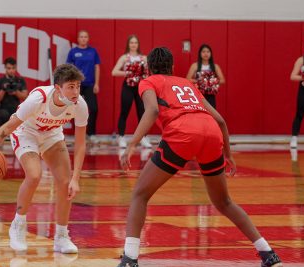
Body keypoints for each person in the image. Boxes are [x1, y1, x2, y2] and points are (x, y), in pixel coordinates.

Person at [117, 47, 282, 267]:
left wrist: (132, 145)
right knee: (224, 201)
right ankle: (268, 253)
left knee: (140, 195)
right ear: (173, 67)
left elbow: (152, 111)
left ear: (149, 67)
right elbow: (221, 120)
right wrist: (228, 155)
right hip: (211, 132)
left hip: (182, 133)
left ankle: (130, 258)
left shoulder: (148, 82)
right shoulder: (187, 83)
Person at [0, 64, 88, 253]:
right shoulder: (38, 98)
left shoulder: (80, 105)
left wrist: (75, 179)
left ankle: (61, 236)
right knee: (34, 175)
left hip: (52, 135)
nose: (75, 91)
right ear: (58, 88)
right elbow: (9, 126)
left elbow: (80, 144)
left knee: (65, 182)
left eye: (77, 86)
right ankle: (18, 225)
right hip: (25, 132)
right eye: (70, 86)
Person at [112, 34, 152, 149]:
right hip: (128, 86)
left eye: (135, 43)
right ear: (128, 45)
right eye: (131, 43)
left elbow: (149, 72)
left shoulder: (144, 58)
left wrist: (142, 73)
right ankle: (121, 137)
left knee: (142, 112)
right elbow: (114, 72)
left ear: (138, 44)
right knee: (124, 112)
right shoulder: (124, 58)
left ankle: (143, 138)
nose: (133, 45)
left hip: (140, 87)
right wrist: (129, 73)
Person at [67, 30, 101, 143]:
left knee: (94, 108)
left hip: (90, 84)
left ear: (88, 38)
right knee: (74, 109)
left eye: (85, 37)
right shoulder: (73, 52)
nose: (83, 38)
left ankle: (91, 134)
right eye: (81, 37)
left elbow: (97, 67)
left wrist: (96, 83)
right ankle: (79, 134)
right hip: (77, 86)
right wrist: (70, 85)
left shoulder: (93, 51)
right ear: (78, 39)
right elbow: (69, 69)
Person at [186, 44, 225, 109]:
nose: (206, 54)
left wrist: (211, 81)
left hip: (210, 95)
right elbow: (187, 79)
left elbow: (222, 80)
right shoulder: (195, 65)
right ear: (200, 53)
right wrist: (200, 81)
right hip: (198, 94)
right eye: (203, 52)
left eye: (208, 52)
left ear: (211, 54)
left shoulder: (215, 66)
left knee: (211, 114)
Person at [0, 57, 28, 126]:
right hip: (3, 109)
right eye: (9, 68)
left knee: (24, 114)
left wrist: (16, 91)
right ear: (5, 68)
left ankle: (16, 135)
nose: (11, 70)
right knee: (4, 114)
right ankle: (5, 135)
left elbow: (25, 98)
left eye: (13, 68)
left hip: (16, 108)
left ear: (16, 68)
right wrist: (3, 89)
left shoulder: (20, 81)